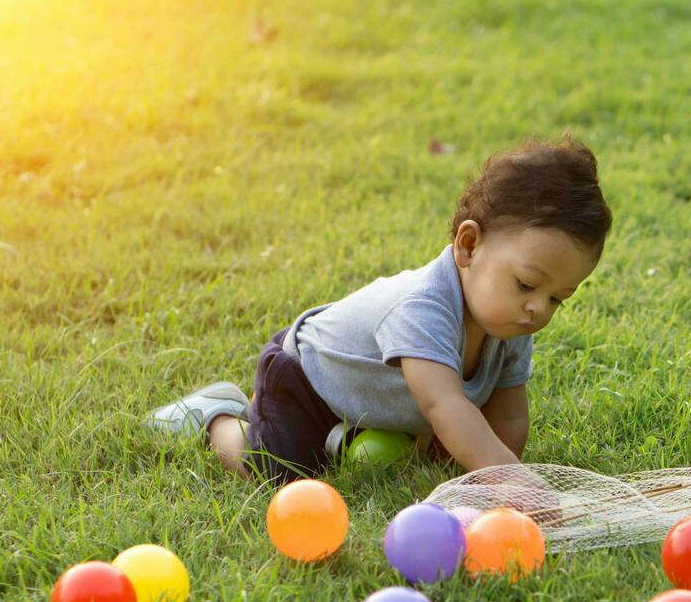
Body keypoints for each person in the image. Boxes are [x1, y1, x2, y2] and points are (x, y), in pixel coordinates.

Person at [147, 135, 612, 485]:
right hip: (308, 377)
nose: (538, 310)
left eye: (558, 298)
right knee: (278, 471)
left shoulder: (510, 321)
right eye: (528, 285)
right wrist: (511, 482)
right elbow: (445, 405)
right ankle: (218, 416)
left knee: (419, 456)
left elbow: (507, 417)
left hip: (368, 397)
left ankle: (350, 435)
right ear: (469, 246)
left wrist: (486, 483)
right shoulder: (423, 309)